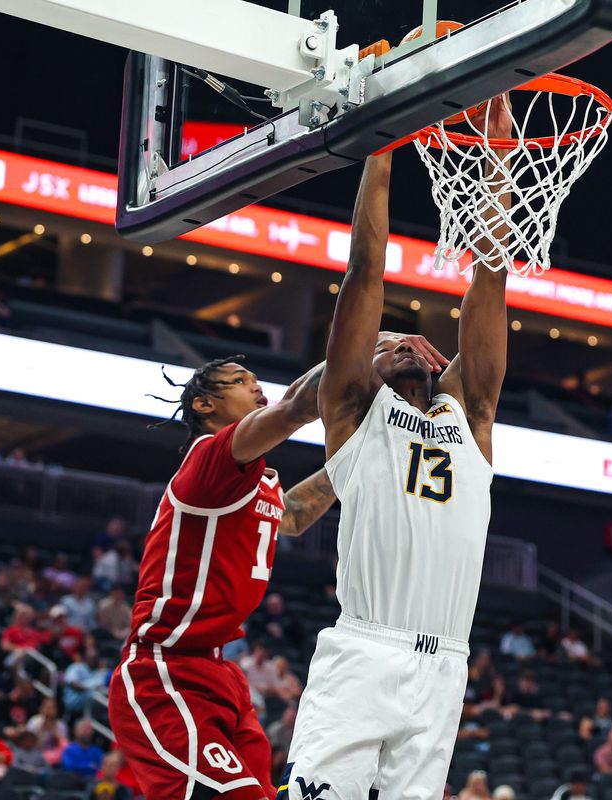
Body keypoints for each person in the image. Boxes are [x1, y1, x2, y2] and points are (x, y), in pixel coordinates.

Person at [287, 113, 508, 797]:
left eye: (414, 339)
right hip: (364, 653)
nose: (406, 341)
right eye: (388, 342)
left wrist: (497, 139)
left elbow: (491, 273)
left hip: (444, 669)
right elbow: (366, 267)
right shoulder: (354, 415)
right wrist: (382, 141)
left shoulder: (470, 415)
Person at [110, 323, 426, 799]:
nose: (255, 385)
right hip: (165, 670)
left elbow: (294, 515)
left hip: (220, 674)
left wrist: (366, 450)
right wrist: (369, 341)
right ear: (204, 405)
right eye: (239, 380)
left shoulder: (256, 481)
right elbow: (298, 406)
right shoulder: (209, 462)